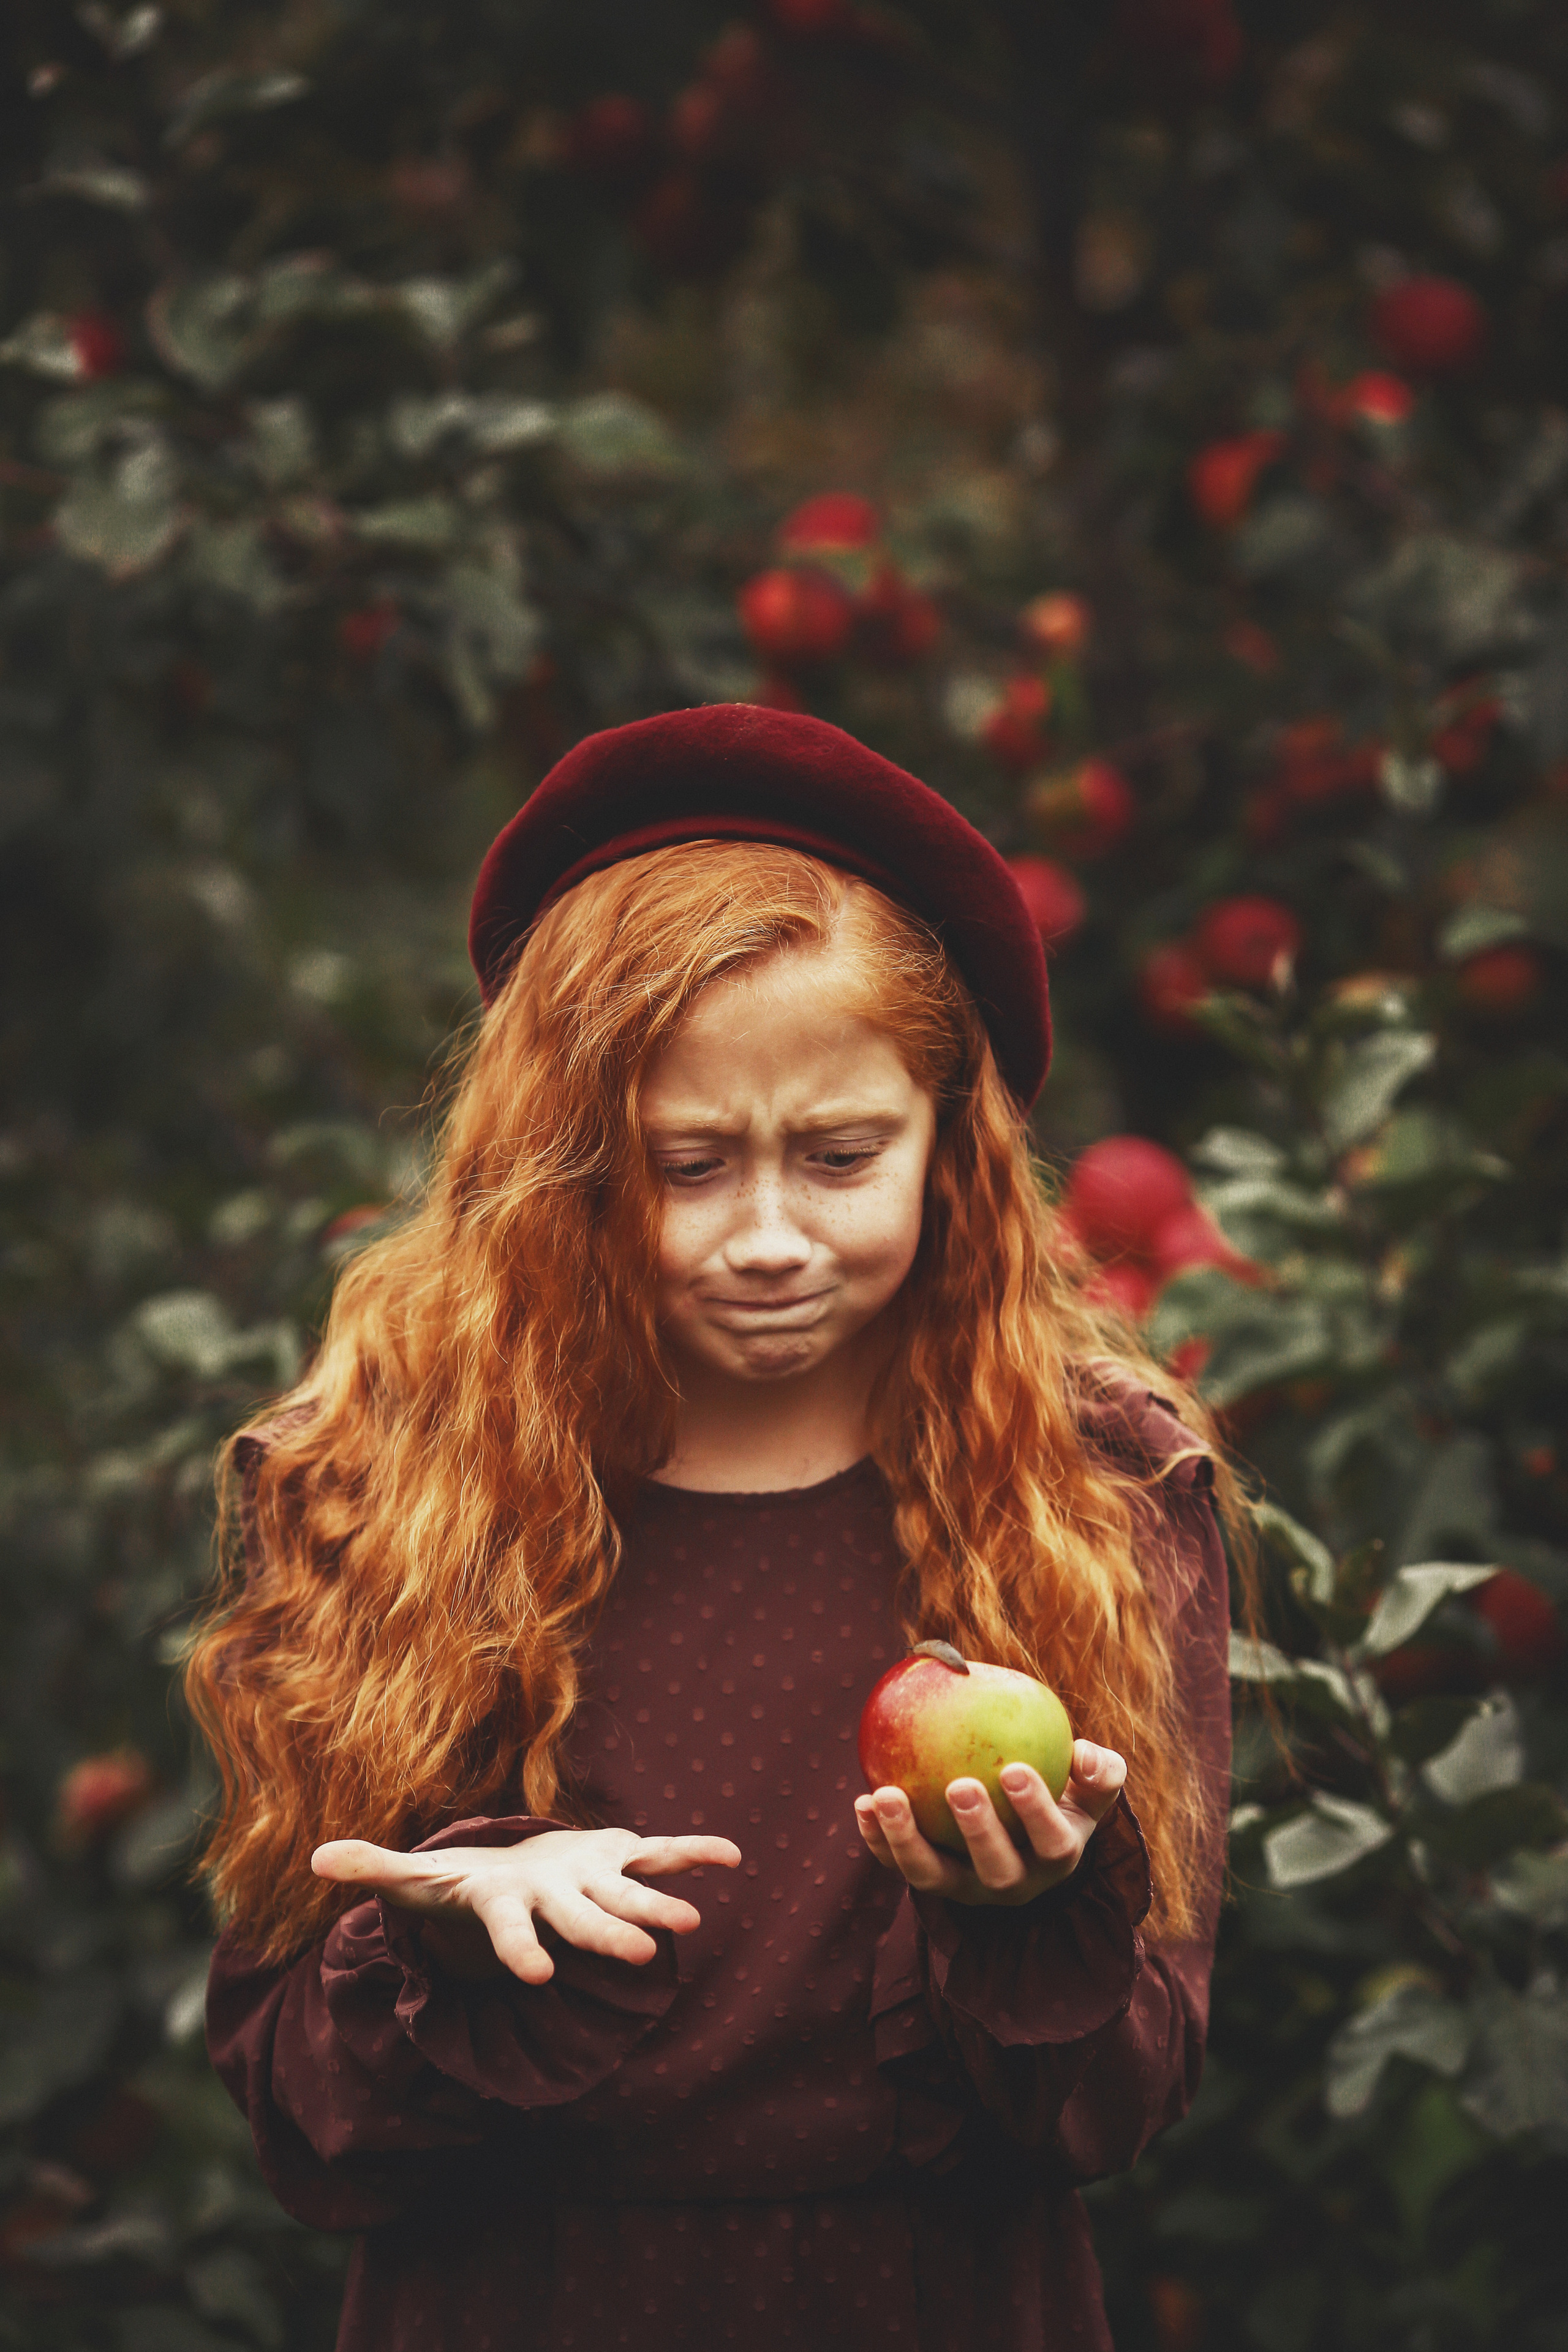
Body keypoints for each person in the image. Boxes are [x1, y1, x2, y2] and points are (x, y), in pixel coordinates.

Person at [189, 703, 1244, 2352]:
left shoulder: (1096, 1493)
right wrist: (454, 1936)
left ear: (951, 1140)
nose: (768, 1237)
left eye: (839, 1156)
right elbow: (289, 2109)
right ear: (564, 1161)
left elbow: (1124, 2101)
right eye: (687, 1164)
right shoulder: (383, 1483)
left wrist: (1024, 1919)